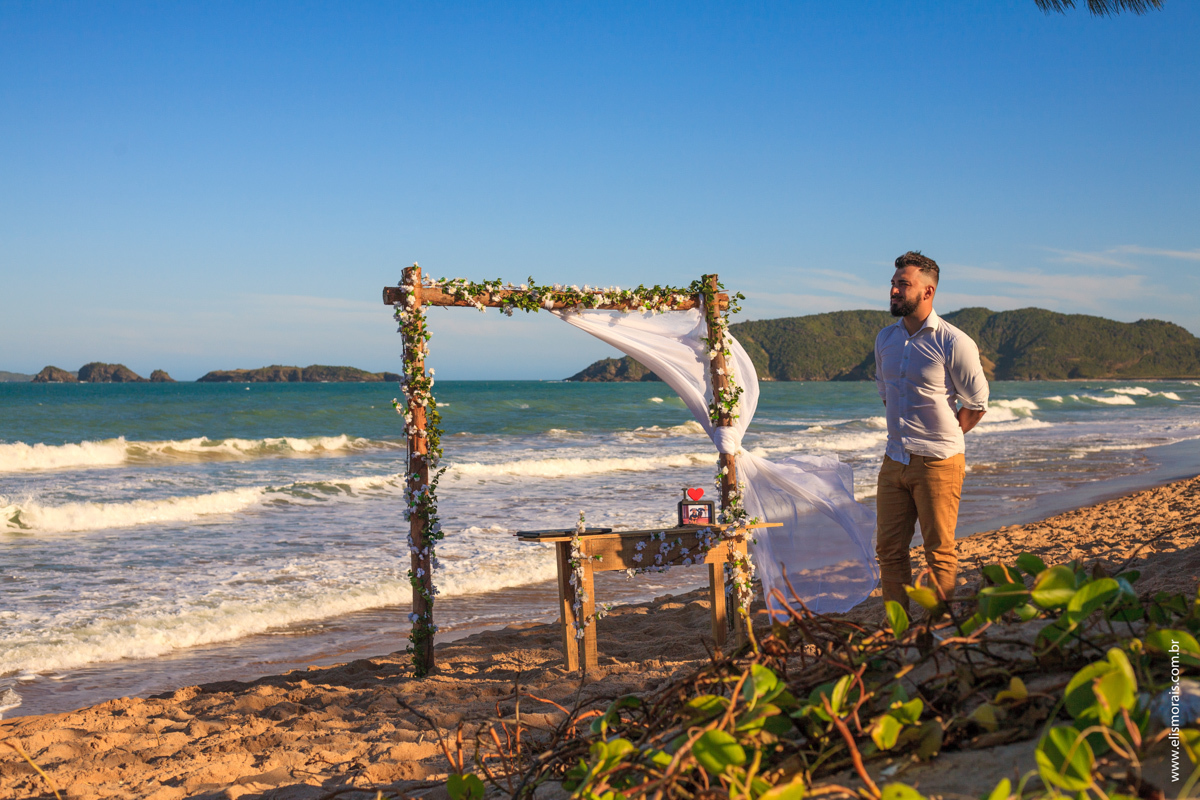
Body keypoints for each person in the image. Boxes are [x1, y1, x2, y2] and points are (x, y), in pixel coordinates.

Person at [874, 251, 989, 613]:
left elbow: (977, 402)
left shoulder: (954, 342)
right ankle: (899, 629)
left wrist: (944, 441)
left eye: (902, 284)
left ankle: (939, 626)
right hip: (894, 459)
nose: (894, 290)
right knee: (889, 550)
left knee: (938, 550)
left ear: (928, 292)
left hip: (939, 461)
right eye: (893, 283)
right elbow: (887, 395)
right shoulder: (885, 339)